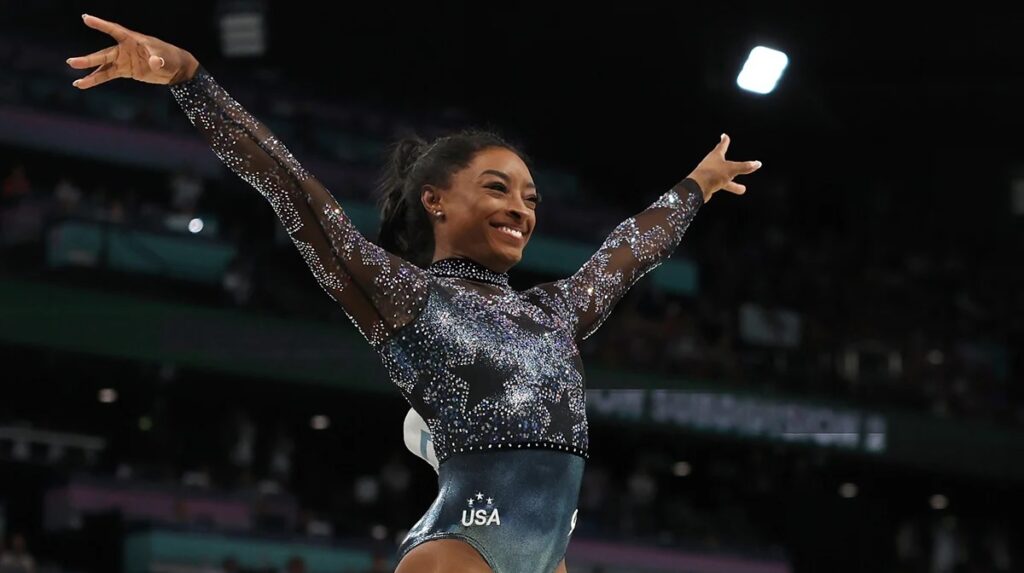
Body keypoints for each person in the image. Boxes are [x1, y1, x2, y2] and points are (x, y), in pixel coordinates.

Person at [67, 13, 760, 573]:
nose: (521, 207)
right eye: (497, 187)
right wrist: (191, 79)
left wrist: (695, 187)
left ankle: (424, 438)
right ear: (435, 200)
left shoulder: (553, 311)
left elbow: (627, 252)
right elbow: (294, 194)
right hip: (461, 553)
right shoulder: (407, 296)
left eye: (530, 196)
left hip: (544, 560)